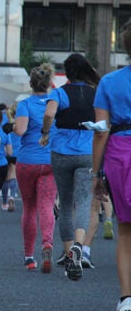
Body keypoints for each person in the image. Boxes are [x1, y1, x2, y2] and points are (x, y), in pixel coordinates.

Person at [40, 53, 99, 281]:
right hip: (87, 152)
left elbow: (49, 114)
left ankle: (67, 254)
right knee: (84, 202)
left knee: (65, 203)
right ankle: (79, 246)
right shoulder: (96, 94)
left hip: (61, 152)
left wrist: (46, 133)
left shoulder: (60, 92)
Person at [91, 19, 131, 311]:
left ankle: (126, 299)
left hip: (120, 153)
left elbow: (101, 132)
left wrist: (96, 174)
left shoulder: (109, 82)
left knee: (126, 231)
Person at [14, 64, 57, 272]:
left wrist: (14, 126)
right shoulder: (54, 104)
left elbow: (20, 130)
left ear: (31, 83)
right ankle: (47, 243)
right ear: (49, 83)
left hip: (28, 161)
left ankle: (29, 256)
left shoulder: (25, 104)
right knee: (46, 206)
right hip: (50, 161)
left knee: (29, 208)